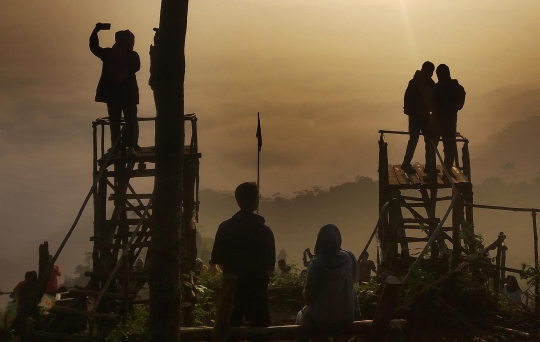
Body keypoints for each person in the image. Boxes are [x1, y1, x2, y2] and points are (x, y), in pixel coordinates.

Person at [211, 182, 276, 328]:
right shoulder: (265, 231)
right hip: (257, 289)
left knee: (229, 330)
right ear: (255, 201)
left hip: (232, 289)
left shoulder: (225, 228)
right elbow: (270, 263)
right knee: (260, 331)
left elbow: (216, 258)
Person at [296, 224, 360, 332]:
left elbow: (308, 298)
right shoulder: (349, 258)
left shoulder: (316, 263)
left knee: (300, 316)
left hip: (322, 322)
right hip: (347, 318)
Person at [90, 23, 141, 157]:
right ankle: (129, 147)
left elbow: (94, 48)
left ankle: (117, 147)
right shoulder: (132, 55)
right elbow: (136, 67)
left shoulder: (109, 54)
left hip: (113, 96)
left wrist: (96, 31)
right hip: (128, 95)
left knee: (115, 122)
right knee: (130, 121)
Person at [424, 64, 466, 181]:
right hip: (450, 123)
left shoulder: (437, 88)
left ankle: (431, 173)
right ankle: (446, 173)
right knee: (449, 149)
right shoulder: (458, 88)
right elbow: (460, 105)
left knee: (431, 146)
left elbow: (429, 104)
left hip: (436, 123)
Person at [401, 61, 435, 174]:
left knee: (421, 140)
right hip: (420, 116)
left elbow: (407, 98)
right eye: (430, 71)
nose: (431, 74)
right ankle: (427, 166)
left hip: (418, 116)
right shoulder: (423, 83)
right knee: (425, 140)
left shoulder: (416, 82)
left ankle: (409, 164)